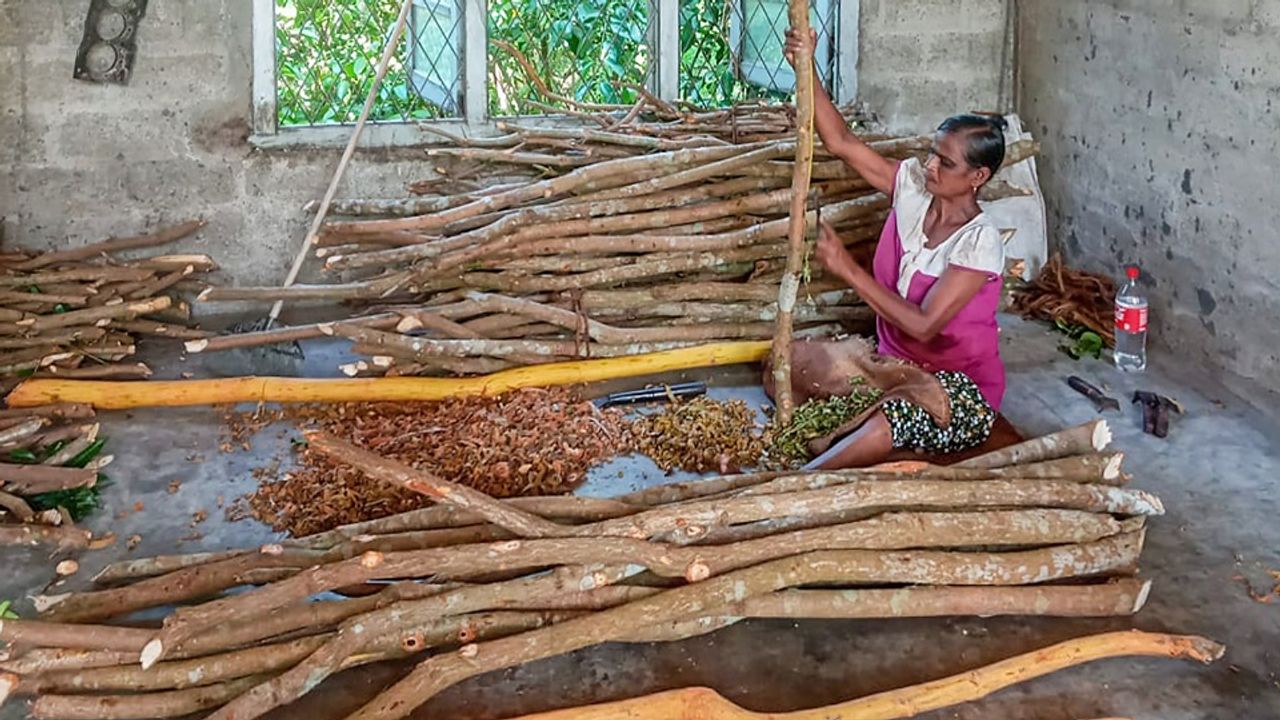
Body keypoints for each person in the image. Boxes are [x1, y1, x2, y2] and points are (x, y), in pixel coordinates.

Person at [783, 28, 1007, 469]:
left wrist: (848, 269)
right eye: (931, 153)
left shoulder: (979, 243)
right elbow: (841, 142)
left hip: (956, 385)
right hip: (890, 366)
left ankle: (800, 482)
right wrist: (805, 65)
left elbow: (923, 325)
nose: (931, 166)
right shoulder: (912, 188)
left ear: (977, 177)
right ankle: (874, 441)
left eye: (946, 162)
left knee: (891, 421)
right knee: (793, 360)